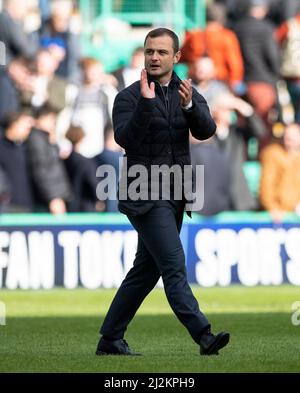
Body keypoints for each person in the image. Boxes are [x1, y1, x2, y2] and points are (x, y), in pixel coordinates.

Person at [96, 28, 230, 356]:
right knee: (172, 263)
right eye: (149, 52)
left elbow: (208, 130)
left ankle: (110, 338)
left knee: (146, 269)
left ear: (176, 57)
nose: (154, 57)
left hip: (175, 194)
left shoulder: (187, 92)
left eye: (161, 52)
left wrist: (189, 108)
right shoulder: (128, 96)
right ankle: (203, 334)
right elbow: (125, 138)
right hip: (143, 193)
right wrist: (145, 103)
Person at [259, 123, 300, 223]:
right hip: (279, 213)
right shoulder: (273, 154)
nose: (290, 139)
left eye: (294, 136)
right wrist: (273, 208)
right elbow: (266, 185)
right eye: (287, 135)